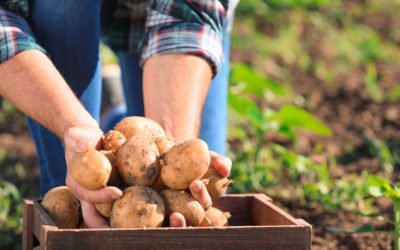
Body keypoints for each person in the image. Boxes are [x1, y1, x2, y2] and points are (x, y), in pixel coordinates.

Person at [0, 0, 236, 228]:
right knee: (74, 196)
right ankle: (102, 115)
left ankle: (112, 111)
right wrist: (74, 127)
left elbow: (189, 14)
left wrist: (170, 143)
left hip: (168, 14)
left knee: (207, 190)